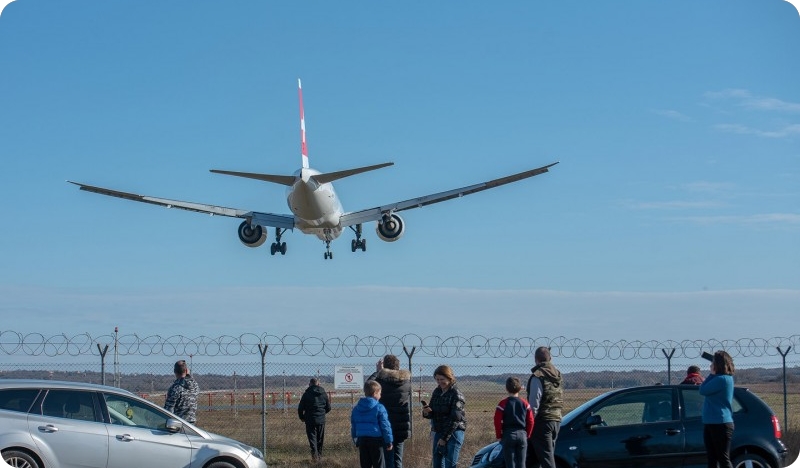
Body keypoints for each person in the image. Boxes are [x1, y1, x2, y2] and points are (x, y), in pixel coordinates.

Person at [368, 354, 412, 468]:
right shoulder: (406, 383)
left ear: (385, 367)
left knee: (388, 459)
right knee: (398, 459)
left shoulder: (381, 382)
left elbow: (368, 387)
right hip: (401, 425)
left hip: (385, 424)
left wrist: (378, 371)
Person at [525, 347, 563, 468]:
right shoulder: (557, 375)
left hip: (542, 421)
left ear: (536, 359)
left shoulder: (538, 376)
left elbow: (534, 403)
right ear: (550, 358)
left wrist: (529, 423)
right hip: (556, 420)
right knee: (544, 456)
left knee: (546, 460)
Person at [422, 365, 466, 468]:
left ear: (450, 378)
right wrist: (426, 412)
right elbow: (432, 414)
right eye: (437, 379)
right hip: (439, 430)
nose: (439, 382)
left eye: (442, 379)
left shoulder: (456, 394)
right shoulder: (437, 392)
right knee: (437, 463)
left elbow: (455, 419)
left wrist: (444, 438)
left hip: (454, 432)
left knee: (450, 464)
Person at [699, 350, 735, 468]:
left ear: (718, 364)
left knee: (723, 458)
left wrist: (711, 374)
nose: (711, 364)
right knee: (712, 458)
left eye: (713, 362)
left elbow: (702, 389)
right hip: (711, 422)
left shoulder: (722, 379)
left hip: (720, 423)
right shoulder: (720, 378)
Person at [351, 380, 393, 468]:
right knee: (379, 464)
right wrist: (389, 441)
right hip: (376, 441)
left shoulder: (356, 408)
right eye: (380, 393)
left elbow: (354, 425)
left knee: (365, 465)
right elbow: (385, 426)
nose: (380, 395)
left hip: (362, 440)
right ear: (375, 393)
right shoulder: (379, 408)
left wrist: (355, 438)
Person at [494, 377, 534, 468]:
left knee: (510, 463)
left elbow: (497, 420)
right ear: (520, 388)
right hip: (522, 434)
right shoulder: (525, 403)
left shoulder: (502, 404)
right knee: (522, 463)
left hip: (508, 435)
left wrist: (499, 435)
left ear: (506, 389)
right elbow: (531, 420)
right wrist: (528, 434)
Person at [298, 377, 332, 462]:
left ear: (310, 384)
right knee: (320, 438)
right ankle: (319, 456)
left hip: (309, 419)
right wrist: (322, 413)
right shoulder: (323, 393)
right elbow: (328, 407)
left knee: (312, 439)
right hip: (321, 419)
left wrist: (302, 417)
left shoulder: (306, 394)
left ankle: (314, 457)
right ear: (318, 384)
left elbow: (300, 408)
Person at [164, 359, 199, 424]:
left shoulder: (175, 388)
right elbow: (189, 379)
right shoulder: (195, 386)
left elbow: (168, 410)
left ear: (175, 371)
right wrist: (188, 374)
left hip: (178, 422)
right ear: (186, 370)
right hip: (191, 422)